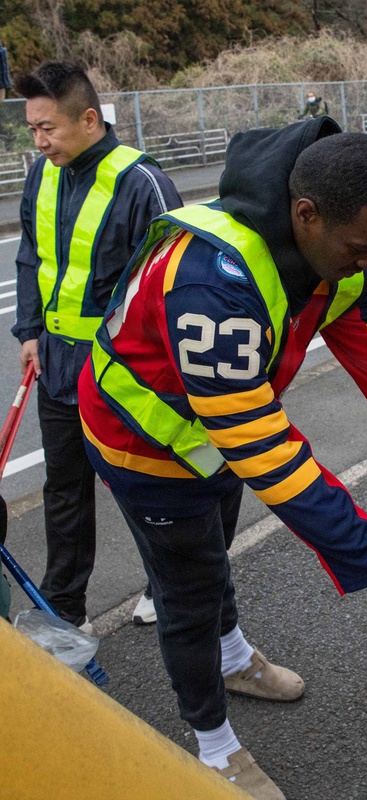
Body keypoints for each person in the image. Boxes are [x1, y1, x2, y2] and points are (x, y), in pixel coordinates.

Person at [78, 123, 367, 798]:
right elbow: (263, 449)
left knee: (213, 548)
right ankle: (213, 744)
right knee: (187, 589)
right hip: (144, 441)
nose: (366, 263)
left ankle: (231, 656)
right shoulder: (211, 276)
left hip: (214, 432)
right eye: (359, 249)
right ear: (305, 214)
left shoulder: (339, 250)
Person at [12, 61, 182, 633]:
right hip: (58, 367)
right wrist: (30, 331)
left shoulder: (142, 182)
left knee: (139, 486)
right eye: (31, 129)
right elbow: (32, 257)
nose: (39, 141)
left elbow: (171, 285)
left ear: (89, 119)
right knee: (63, 492)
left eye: (47, 128)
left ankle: (169, 587)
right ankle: (66, 610)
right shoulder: (42, 174)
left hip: (122, 376)